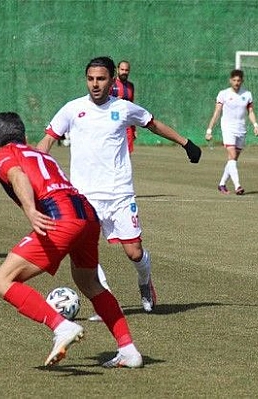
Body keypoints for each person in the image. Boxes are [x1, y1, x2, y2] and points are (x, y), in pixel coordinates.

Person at [37, 56, 201, 319]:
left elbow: (153, 123)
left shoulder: (124, 108)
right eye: (90, 79)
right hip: (83, 197)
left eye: (101, 79)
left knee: (134, 252)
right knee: (85, 255)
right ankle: (107, 302)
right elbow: (47, 140)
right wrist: (36, 171)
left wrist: (185, 143)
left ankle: (145, 282)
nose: (95, 84)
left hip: (119, 194)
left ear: (112, 80)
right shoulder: (72, 109)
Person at [0, 111, 143, 368]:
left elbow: (17, 176)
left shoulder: (2, 155)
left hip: (61, 217)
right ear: (25, 136)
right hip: (87, 214)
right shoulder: (40, 153)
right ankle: (128, 350)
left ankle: (61, 326)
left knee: (1, 280)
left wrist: (30, 210)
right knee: (90, 283)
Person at [205, 69, 258, 195]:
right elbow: (217, 112)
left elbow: (250, 112)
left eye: (239, 80)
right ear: (230, 80)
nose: (236, 83)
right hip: (228, 128)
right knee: (232, 156)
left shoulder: (247, 94)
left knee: (232, 159)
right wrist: (209, 130)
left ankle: (222, 184)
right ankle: (238, 186)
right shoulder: (223, 94)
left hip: (241, 129)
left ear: (242, 81)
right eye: (234, 80)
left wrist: (255, 125)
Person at [111, 60, 137, 153]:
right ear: (118, 70)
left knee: (127, 152)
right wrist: (114, 101)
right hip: (113, 122)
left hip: (127, 124)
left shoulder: (130, 86)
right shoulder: (111, 83)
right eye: (122, 69)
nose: (124, 72)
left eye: (126, 70)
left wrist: (134, 129)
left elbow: (132, 107)